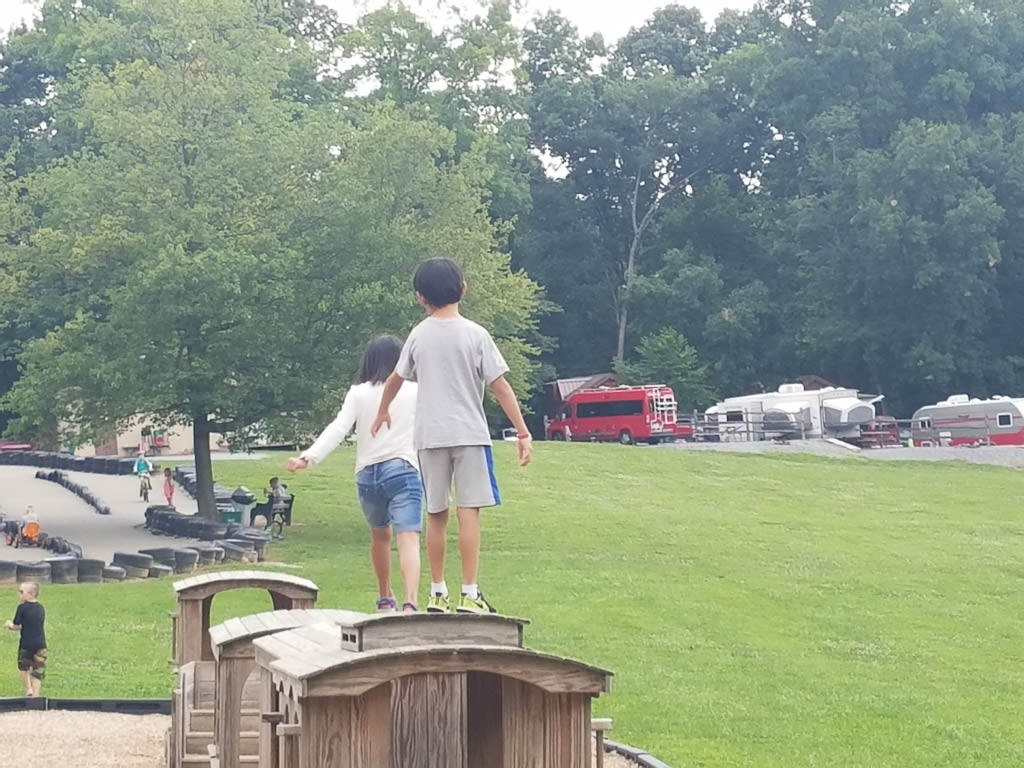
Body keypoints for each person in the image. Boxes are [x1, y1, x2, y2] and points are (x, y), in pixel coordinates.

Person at [371, 258, 533, 615]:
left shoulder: (418, 334)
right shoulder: (476, 334)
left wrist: (384, 410)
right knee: (469, 512)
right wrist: (522, 431)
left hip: (429, 436)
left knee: (436, 513)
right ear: (463, 289)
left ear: (420, 297)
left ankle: (436, 593)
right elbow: (500, 386)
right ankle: (470, 593)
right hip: (470, 434)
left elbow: (397, 378)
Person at [287, 336, 422, 613]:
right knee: (407, 536)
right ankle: (411, 602)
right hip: (403, 467)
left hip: (367, 473)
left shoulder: (358, 392)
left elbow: (339, 428)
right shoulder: (415, 390)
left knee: (380, 537)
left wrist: (308, 457)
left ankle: (386, 598)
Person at [5, 582, 46, 697]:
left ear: (31, 594)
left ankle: (29, 689)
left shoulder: (22, 608)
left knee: (24, 667)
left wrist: (9, 625)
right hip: (41, 644)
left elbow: (16, 626)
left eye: (22, 592)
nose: (20, 594)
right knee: (38, 670)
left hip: (26, 644)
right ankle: (36, 695)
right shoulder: (41, 608)